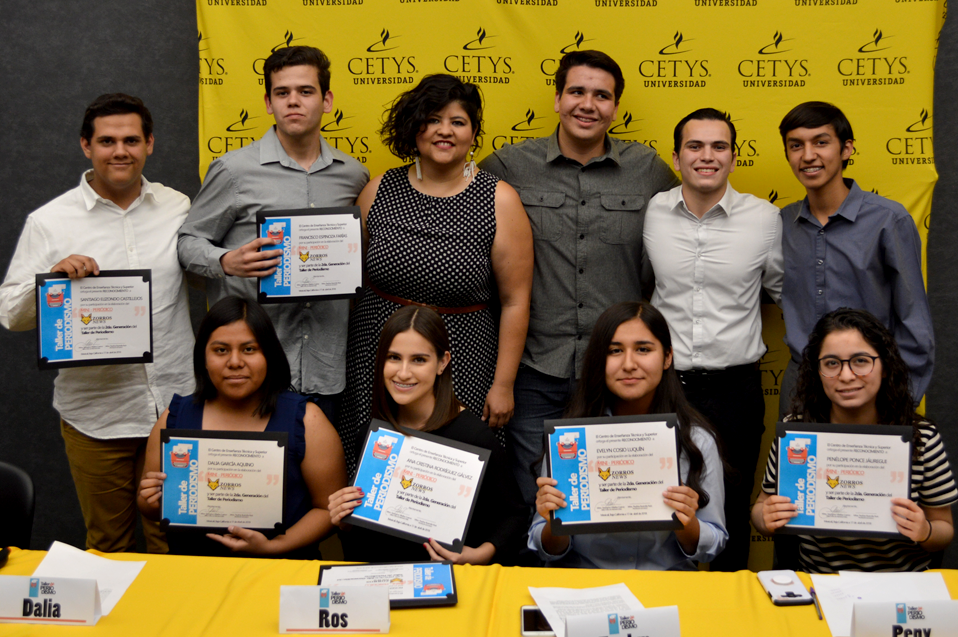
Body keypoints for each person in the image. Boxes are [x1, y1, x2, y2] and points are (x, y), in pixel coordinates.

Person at [479, 50, 680, 505]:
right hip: (534, 370)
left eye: (601, 95)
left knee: (616, 498)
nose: (588, 104)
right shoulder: (508, 167)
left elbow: (679, 247)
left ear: (615, 106)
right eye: (577, 92)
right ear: (557, 98)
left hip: (616, 371)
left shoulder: (648, 172)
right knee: (541, 501)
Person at [0, 93, 193, 553]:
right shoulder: (50, 222)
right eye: (107, 141)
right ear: (86, 146)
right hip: (96, 415)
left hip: (175, 406)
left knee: (177, 542)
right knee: (109, 546)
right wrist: (51, 283)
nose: (119, 151)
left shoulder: (177, 207)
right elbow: (10, 312)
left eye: (131, 139)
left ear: (150, 143)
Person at [339, 74, 532, 472]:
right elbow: (345, 279)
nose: (445, 131)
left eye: (458, 122)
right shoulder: (378, 190)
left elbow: (515, 301)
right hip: (379, 353)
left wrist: (503, 384)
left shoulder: (499, 199)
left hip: (463, 357)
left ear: (473, 133)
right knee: (375, 467)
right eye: (433, 119)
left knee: (447, 473)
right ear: (415, 128)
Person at [177, 46, 369, 429]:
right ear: (268, 102)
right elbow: (187, 241)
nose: (293, 102)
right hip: (253, 367)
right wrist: (225, 261)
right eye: (282, 93)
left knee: (319, 483)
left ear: (327, 100)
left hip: (326, 367)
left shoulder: (353, 176)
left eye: (305, 91)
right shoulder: (234, 170)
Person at [642, 108, 783, 571]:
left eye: (719, 146)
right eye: (695, 146)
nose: (708, 156)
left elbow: (784, 292)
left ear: (734, 157)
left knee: (733, 508)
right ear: (677, 157)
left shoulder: (765, 219)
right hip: (665, 386)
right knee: (658, 503)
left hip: (735, 390)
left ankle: (730, 611)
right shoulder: (654, 211)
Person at [137, 296, 347, 558]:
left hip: (281, 571)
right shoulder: (175, 418)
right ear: (203, 357)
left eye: (249, 349)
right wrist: (150, 501)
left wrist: (274, 546)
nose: (235, 361)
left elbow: (329, 508)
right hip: (192, 571)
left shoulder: (308, 420)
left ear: (269, 355)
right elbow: (153, 509)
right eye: (221, 350)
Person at [752, 308, 956, 572]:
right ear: (817, 371)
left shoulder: (922, 438)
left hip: (900, 588)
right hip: (821, 586)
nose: (846, 376)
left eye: (860, 361)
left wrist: (925, 530)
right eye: (832, 363)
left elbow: (945, 529)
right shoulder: (797, 433)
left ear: (884, 367)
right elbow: (760, 508)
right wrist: (765, 517)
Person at [530, 301, 727, 569]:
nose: (629, 364)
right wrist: (553, 522)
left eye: (643, 349)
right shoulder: (570, 440)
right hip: (587, 587)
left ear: (668, 357)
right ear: (600, 360)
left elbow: (713, 545)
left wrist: (687, 523)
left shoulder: (698, 441)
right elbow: (545, 550)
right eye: (615, 351)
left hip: (666, 590)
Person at [330, 306, 527, 564]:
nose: (403, 372)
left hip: (451, 583)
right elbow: (368, 539)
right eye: (393, 357)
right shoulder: (372, 434)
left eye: (419, 360)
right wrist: (346, 521)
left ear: (442, 362)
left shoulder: (473, 436)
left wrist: (479, 555)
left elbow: (513, 516)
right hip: (383, 582)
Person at [777, 101, 933, 418]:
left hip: (870, 388)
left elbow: (914, 322)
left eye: (821, 142)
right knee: (795, 469)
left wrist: (900, 403)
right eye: (796, 146)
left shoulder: (888, 220)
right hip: (802, 388)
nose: (808, 155)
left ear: (847, 149)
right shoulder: (780, 223)